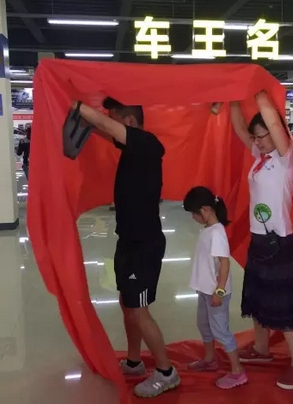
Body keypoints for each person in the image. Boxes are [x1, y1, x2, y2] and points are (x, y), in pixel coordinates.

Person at [72, 97, 180, 398]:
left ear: (130, 122)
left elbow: (106, 125)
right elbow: (104, 130)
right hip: (129, 241)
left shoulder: (146, 143)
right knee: (127, 303)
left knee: (139, 310)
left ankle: (166, 372)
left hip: (144, 244)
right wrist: (87, 122)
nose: (111, 124)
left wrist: (75, 104)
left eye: (115, 118)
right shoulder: (134, 148)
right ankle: (134, 362)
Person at [229, 94, 293, 390]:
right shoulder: (260, 158)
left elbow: (274, 122)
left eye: (262, 136)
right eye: (256, 137)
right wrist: (233, 98)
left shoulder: (285, 159)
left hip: (279, 242)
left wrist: (257, 91)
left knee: (286, 305)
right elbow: (239, 129)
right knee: (258, 297)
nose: (257, 141)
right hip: (259, 241)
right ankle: (261, 349)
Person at [183, 186, 247, 390]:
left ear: (205, 209)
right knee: (204, 325)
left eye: (194, 213)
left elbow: (224, 264)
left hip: (215, 293)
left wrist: (219, 291)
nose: (193, 217)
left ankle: (237, 371)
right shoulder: (208, 230)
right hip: (205, 290)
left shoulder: (217, 233)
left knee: (221, 330)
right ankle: (210, 359)